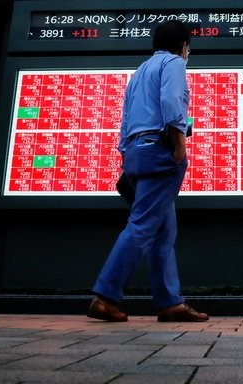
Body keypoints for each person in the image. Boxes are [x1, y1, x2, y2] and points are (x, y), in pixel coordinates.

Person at [87, 20, 208, 323]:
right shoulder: (174, 63)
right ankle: (105, 297)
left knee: (164, 231)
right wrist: (179, 145)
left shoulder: (140, 71)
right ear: (184, 47)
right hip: (160, 151)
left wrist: (126, 156)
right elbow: (171, 101)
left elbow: (126, 117)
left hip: (136, 153)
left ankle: (170, 303)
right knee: (141, 225)